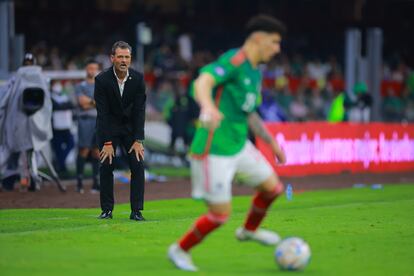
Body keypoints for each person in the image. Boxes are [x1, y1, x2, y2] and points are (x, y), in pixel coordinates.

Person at [168, 15, 287, 271]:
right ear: (258, 38)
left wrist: (270, 142)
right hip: (214, 149)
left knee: (273, 189)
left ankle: (248, 230)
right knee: (220, 215)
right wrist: (208, 106)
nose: (277, 49)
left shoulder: (254, 72)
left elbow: (250, 113)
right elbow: (203, 81)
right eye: (275, 42)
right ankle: (179, 249)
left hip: (239, 144)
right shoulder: (235, 61)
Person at [94, 41, 146, 221]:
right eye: (120, 57)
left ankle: (136, 211)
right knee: (106, 165)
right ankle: (107, 210)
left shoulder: (138, 79)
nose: (124, 60)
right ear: (112, 58)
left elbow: (140, 111)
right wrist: (107, 143)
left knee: (138, 165)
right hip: (109, 127)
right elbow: (102, 113)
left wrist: (139, 139)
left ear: (131, 59)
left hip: (131, 129)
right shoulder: (101, 80)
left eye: (127, 57)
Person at [75, 59, 101, 194]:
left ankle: (96, 182)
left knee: (97, 151)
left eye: (94, 68)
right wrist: (94, 102)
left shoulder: (100, 85)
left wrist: (90, 101)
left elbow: (102, 102)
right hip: (85, 120)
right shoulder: (80, 86)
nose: (92, 70)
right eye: (90, 68)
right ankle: (79, 182)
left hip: (99, 120)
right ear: (86, 69)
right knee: (84, 150)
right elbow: (82, 103)